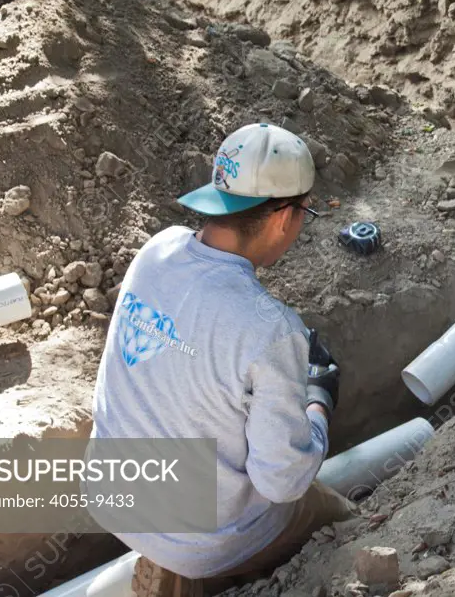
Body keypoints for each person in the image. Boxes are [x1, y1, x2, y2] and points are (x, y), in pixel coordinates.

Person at [88, 123, 355, 597]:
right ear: (281, 218)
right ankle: (197, 570)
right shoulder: (269, 329)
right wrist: (317, 403)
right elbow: (281, 480)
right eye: (304, 212)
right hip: (198, 534)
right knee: (342, 526)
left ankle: (176, 566)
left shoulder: (157, 250)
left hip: (111, 493)